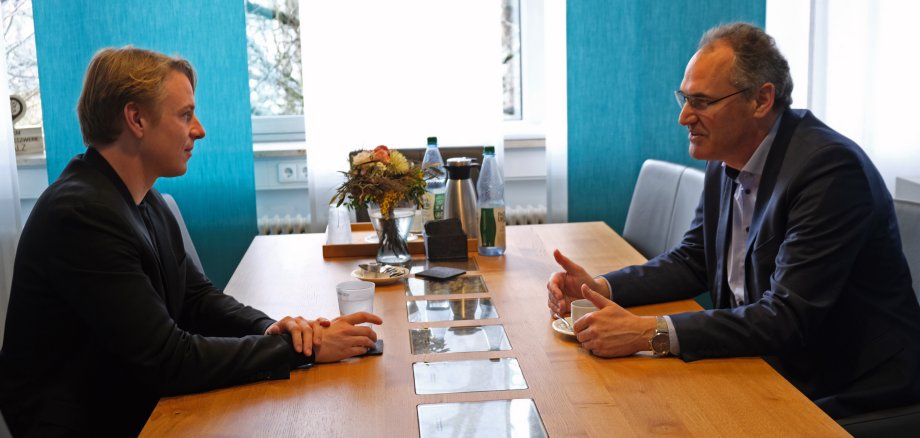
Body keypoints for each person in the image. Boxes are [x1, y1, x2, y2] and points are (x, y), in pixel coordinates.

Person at [0, 47, 382, 436]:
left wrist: (275, 329)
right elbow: (169, 361)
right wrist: (305, 350)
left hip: (128, 399)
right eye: (185, 115)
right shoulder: (81, 215)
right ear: (136, 119)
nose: (198, 129)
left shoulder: (141, 196)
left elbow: (195, 298)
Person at [547, 22, 920, 419]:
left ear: (761, 100)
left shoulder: (828, 170)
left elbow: (786, 318)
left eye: (702, 102)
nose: (684, 117)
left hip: (844, 384)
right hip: (765, 363)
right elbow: (694, 259)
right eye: (684, 99)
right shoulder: (728, 157)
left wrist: (648, 331)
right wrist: (598, 287)